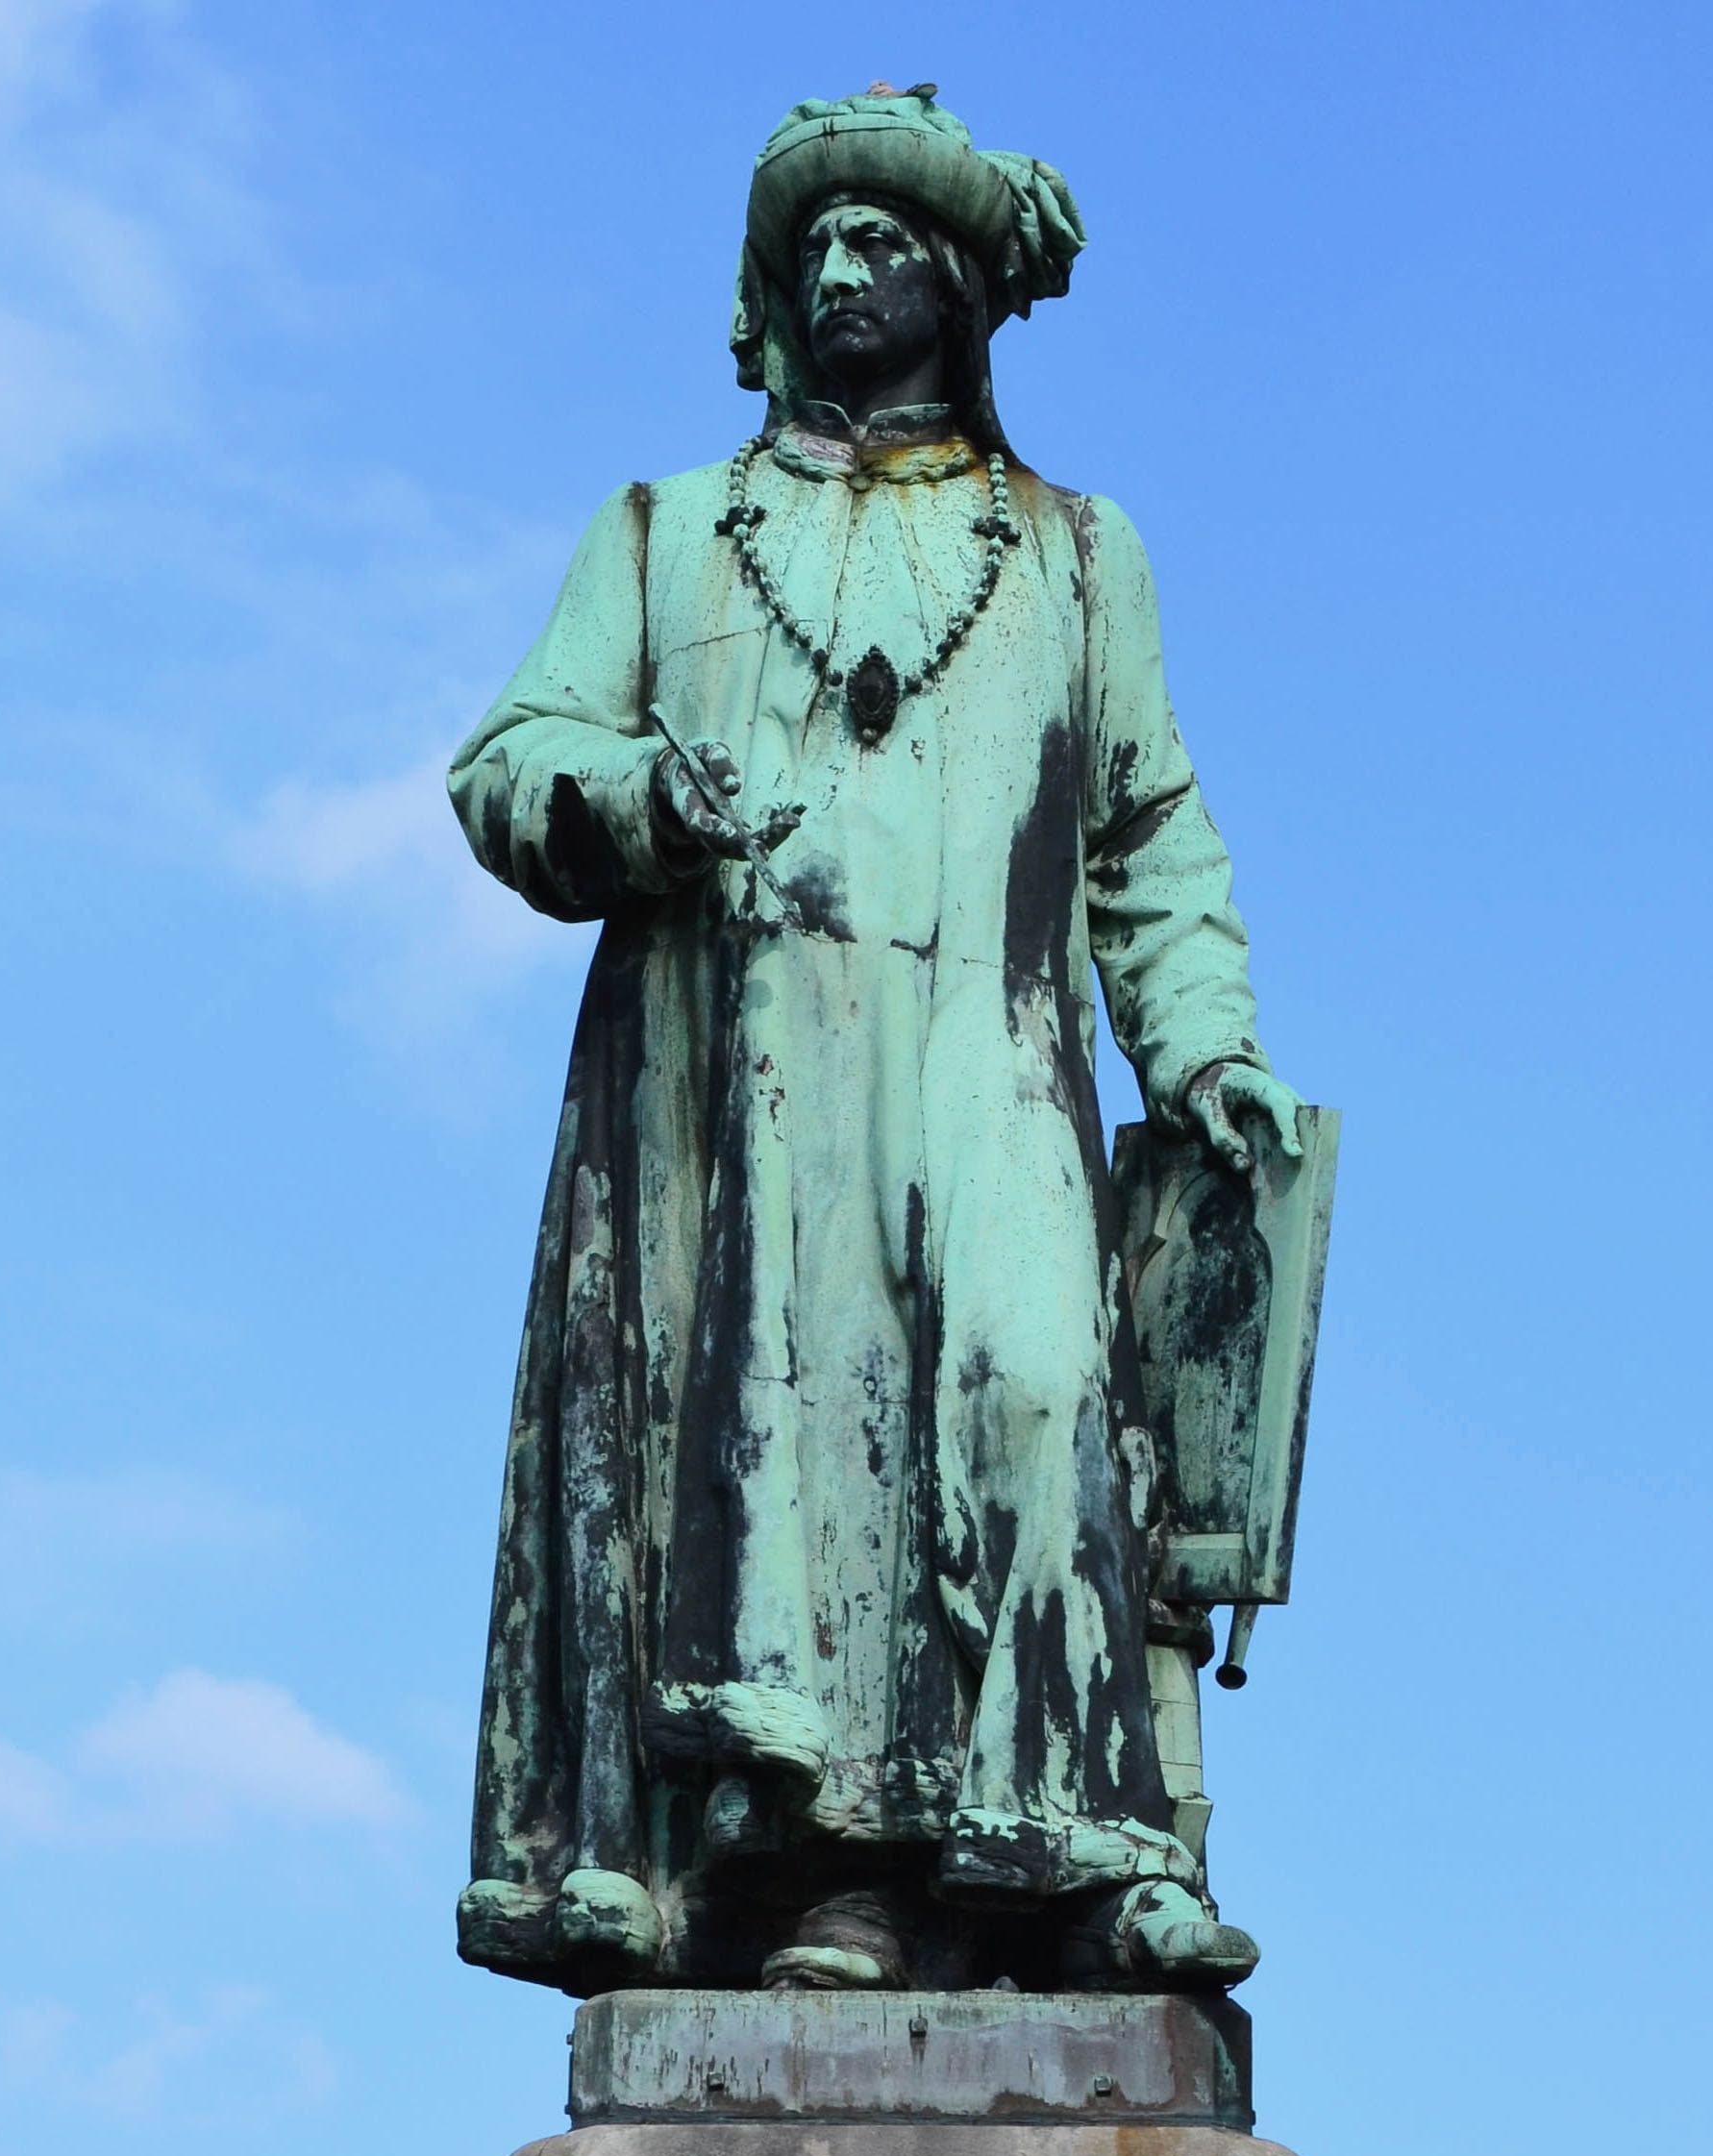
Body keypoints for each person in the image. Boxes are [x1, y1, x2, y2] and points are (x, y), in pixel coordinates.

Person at [451, 88, 1303, 1996]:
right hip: (756, 1075)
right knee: (789, 1459)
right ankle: (820, 1874)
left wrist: (1206, 1045)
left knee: (1029, 1407)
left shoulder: (1076, 554)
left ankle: (1069, 1856)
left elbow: (1149, 834)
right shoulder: (668, 535)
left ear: (958, 286)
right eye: (813, 240)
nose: (842, 268)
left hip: (996, 1063)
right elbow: (508, 763)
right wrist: (629, 793)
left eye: (884, 239)